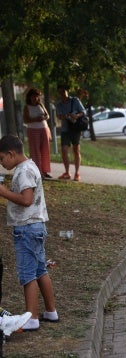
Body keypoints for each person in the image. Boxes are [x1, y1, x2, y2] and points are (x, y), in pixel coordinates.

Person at [0, 135, 59, 332]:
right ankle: (51, 311)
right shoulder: (29, 166)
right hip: (36, 227)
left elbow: (26, 200)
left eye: (1, 158)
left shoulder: (24, 171)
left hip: (26, 228)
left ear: (11, 153)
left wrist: (2, 191)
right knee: (40, 269)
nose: (1, 163)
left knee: (27, 273)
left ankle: (32, 317)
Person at [56, 85, 86, 181]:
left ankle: (77, 173)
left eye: (63, 92)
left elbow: (83, 112)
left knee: (76, 150)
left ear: (67, 91)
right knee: (64, 150)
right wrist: (68, 115)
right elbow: (59, 116)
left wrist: (76, 116)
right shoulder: (59, 104)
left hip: (75, 128)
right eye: (60, 92)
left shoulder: (75, 100)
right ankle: (67, 172)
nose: (62, 94)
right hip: (65, 129)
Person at [22, 88, 52, 179]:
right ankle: (37, 171)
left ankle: (45, 171)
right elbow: (25, 120)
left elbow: (47, 115)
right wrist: (35, 119)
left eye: (37, 96)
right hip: (33, 130)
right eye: (33, 96)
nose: (35, 98)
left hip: (44, 128)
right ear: (30, 97)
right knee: (35, 151)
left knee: (45, 151)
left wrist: (43, 117)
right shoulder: (27, 107)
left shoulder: (41, 105)